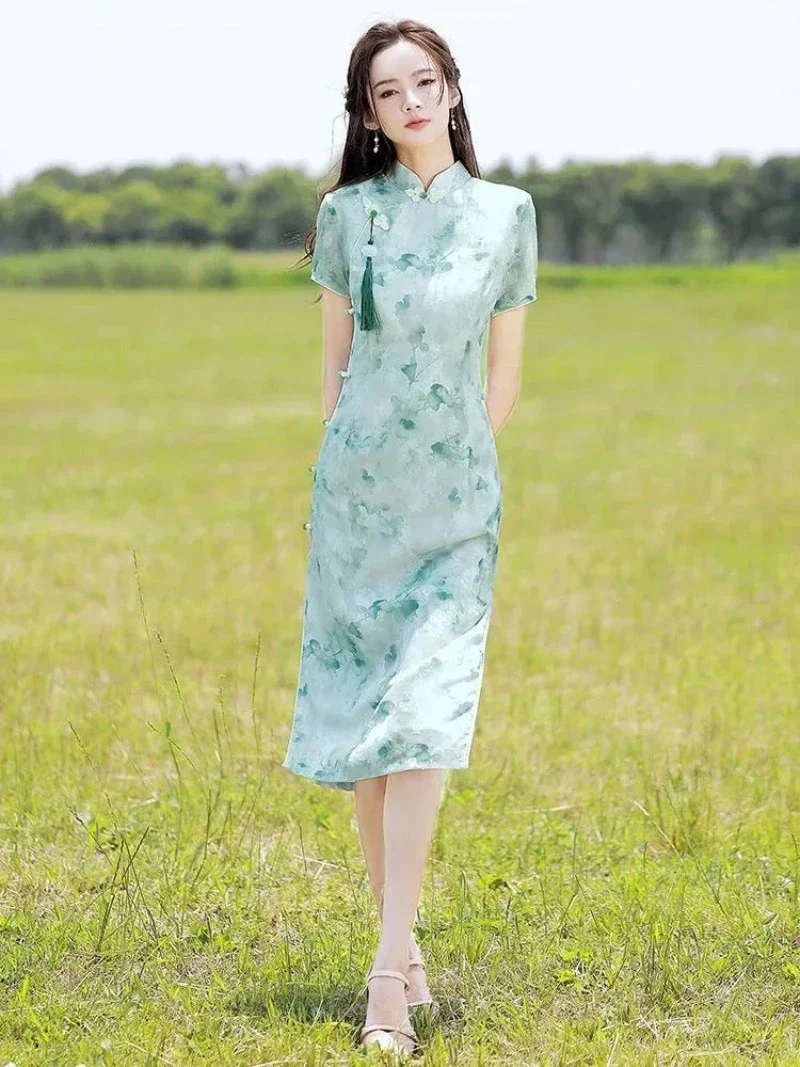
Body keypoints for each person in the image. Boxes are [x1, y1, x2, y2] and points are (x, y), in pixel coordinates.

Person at [282, 17, 538, 1055]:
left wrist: (461, 464)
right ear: (369, 114)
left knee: (425, 720)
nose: (412, 103)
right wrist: (345, 474)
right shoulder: (348, 215)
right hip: (359, 501)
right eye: (389, 92)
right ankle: (408, 951)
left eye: (424, 82)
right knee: (370, 738)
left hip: (455, 507)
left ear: (452, 89)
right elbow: (335, 370)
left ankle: (386, 977)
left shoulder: (506, 213)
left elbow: (503, 374)